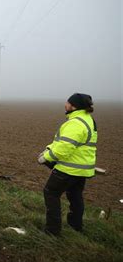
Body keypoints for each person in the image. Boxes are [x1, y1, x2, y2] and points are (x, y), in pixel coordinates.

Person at [37, 93, 97, 236]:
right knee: (75, 196)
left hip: (69, 168)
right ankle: (76, 226)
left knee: (51, 193)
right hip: (81, 169)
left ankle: (52, 231)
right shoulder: (87, 119)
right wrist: (48, 149)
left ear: (73, 105)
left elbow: (64, 147)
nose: (65, 104)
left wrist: (45, 157)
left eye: (67, 102)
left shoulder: (75, 123)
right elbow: (63, 143)